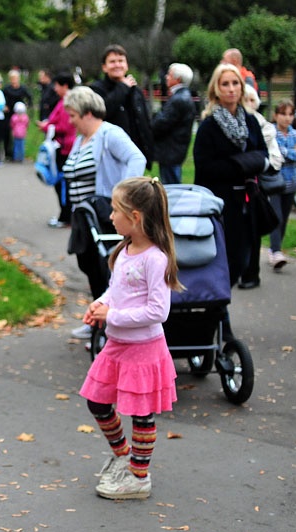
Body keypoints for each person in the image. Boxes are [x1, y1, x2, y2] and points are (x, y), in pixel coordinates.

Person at [80, 176, 183, 500]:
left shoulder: (155, 258)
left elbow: (158, 311)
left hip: (143, 348)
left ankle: (139, 476)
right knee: (97, 400)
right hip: (117, 344)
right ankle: (124, 455)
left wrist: (114, 316)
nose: (110, 216)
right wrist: (102, 303)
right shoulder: (125, 249)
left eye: (115, 210)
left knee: (141, 413)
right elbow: (118, 288)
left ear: (135, 216)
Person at [62, 86, 146, 339]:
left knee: (105, 269)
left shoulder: (109, 134)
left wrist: (123, 199)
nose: (71, 121)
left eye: (73, 115)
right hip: (85, 218)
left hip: (105, 217)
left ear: (87, 112)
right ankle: (97, 322)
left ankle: (108, 325)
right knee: (90, 266)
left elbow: (136, 158)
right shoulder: (81, 139)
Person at [193, 63, 268, 295]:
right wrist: (241, 164)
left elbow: (264, 154)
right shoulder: (209, 126)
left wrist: (250, 162)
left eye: (235, 83)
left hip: (249, 200)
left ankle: (219, 313)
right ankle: (220, 319)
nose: (231, 89)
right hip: (222, 202)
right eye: (225, 84)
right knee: (225, 263)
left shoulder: (251, 121)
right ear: (216, 89)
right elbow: (204, 167)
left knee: (243, 261)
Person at [239, 84, 284, 288]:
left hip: (257, 187)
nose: (247, 104)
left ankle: (251, 273)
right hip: (238, 187)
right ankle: (242, 270)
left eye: (250, 100)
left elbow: (274, 158)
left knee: (254, 230)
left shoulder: (261, 125)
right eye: (244, 100)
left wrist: (255, 163)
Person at [88, 44, 154, 165]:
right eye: (112, 62)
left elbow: (145, 122)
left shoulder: (136, 91)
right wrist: (122, 87)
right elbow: (103, 111)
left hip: (136, 155)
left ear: (127, 65)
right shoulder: (96, 89)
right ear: (104, 67)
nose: (117, 65)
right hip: (110, 156)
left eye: (121, 61)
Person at [270, 99, 296, 272]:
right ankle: (276, 252)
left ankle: (276, 247)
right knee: (276, 216)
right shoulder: (272, 133)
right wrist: (291, 153)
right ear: (276, 115)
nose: (287, 118)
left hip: (291, 181)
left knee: (284, 217)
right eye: (283, 114)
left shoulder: (295, 134)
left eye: (290, 114)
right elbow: (276, 154)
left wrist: (288, 153)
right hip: (275, 182)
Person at [40, 71, 76, 228]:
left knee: (62, 183)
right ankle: (65, 215)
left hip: (63, 148)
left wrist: (47, 126)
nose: (54, 89)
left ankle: (66, 216)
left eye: (56, 85)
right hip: (60, 147)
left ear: (65, 86)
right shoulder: (63, 102)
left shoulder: (68, 103)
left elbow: (65, 126)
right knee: (61, 183)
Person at [151, 63, 195, 184]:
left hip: (170, 152)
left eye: (169, 75)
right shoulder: (183, 97)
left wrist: (154, 119)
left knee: (171, 187)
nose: (166, 77)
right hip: (175, 150)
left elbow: (161, 123)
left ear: (178, 79)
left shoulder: (178, 100)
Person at [2, 69, 32, 160]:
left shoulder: (22, 88)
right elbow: (1, 98)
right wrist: (4, 106)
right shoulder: (7, 88)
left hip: (19, 114)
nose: (14, 80)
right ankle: (8, 152)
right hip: (9, 113)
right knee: (7, 132)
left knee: (19, 133)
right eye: (12, 78)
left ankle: (18, 154)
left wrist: (27, 106)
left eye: (16, 78)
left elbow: (29, 97)